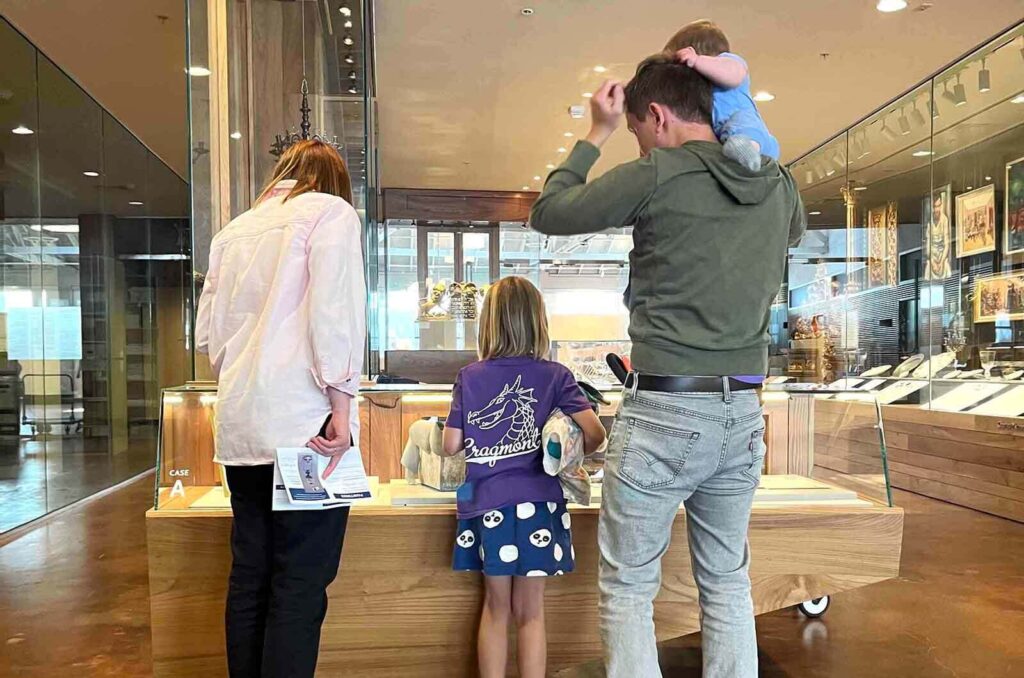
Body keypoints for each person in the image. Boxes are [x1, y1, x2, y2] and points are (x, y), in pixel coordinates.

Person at [530, 57, 805, 678]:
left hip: (664, 409)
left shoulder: (660, 173)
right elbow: (793, 227)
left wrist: (595, 132)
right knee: (728, 582)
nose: (637, 140)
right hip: (742, 411)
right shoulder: (779, 184)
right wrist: (745, 125)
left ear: (655, 115)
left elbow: (551, 212)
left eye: (634, 130)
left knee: (629, 587)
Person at [195, 139, 365, 678]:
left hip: (242, 424)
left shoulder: (232, 231)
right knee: (299, 582)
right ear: (333, 181)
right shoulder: (330, 213)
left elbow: (206, 339)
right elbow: (334, 315)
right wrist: (341, 406)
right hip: (305, 428)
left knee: (251, 575)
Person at [439, 276, 606, 678]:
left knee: (495, 608)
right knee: (531, 612)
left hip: (485, 504)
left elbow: (450, 446)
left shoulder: (470, 376)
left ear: (488, 323)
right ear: (538, 322)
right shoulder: (556, 375)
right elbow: (597, 435)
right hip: (539, 505)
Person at [665, 19, 779, 172]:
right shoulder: (703, 87)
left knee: (744, 125)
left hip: (744, 123)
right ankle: (742, 151)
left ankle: (747, 148)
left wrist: (697, 61)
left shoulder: (729, 61)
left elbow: (734, 75)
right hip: (725, 134)